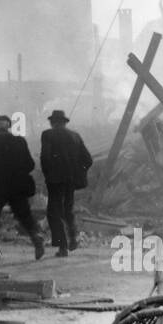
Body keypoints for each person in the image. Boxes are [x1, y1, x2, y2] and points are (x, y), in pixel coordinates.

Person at [0, 114, 44, 261]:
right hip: (16, 186)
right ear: (9, 126)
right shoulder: (19, 141)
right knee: (24, 215)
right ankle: (36, 237)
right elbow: (30, 164)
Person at [39, 109, 93, 257]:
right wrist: (77, 173)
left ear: (52, 122)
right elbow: (88, 160)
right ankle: (73, 237)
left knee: (53, 213)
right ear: (64, 122)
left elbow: (45, 157)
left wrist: (48, 174)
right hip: (71, 181)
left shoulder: (47, 135)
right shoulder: (75, 136)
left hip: (55, 181)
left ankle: (63, 247)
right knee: (68, 209)